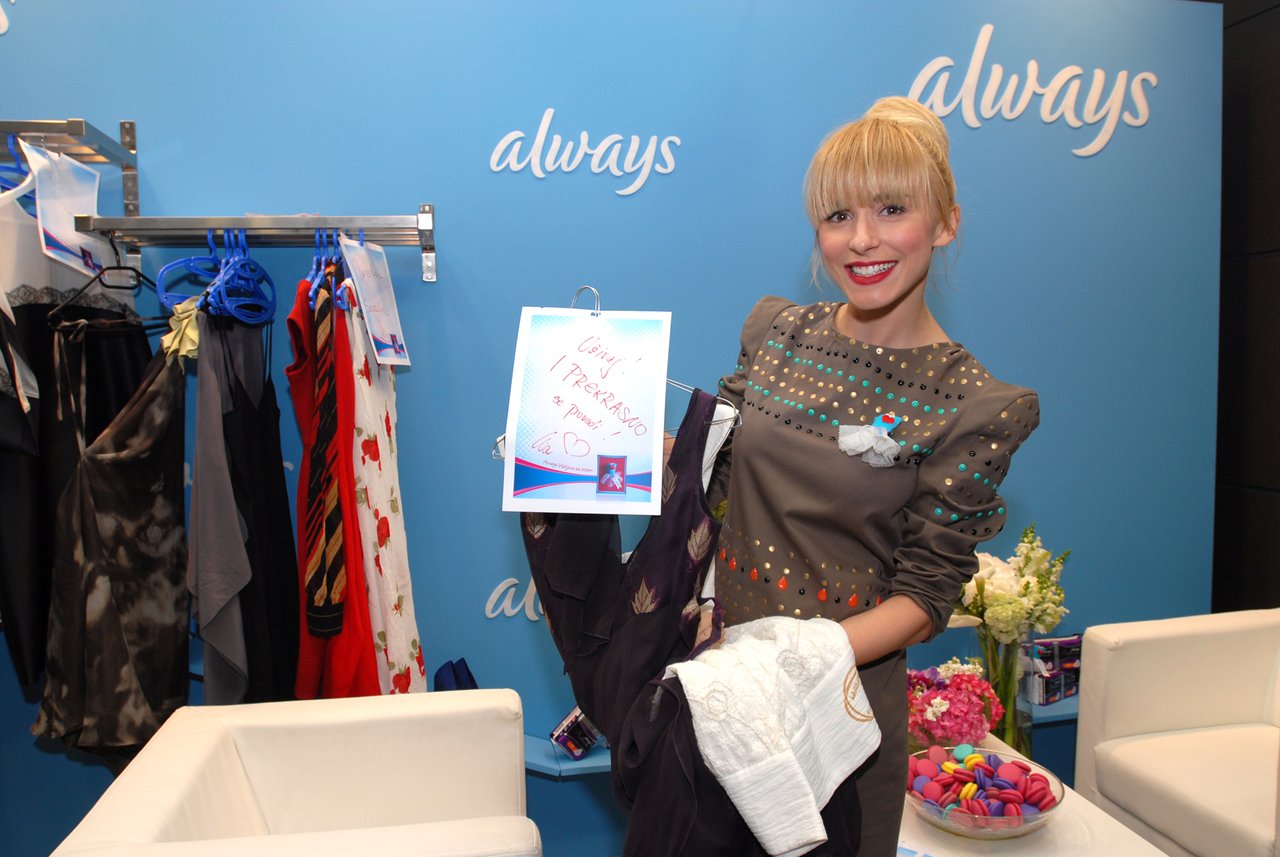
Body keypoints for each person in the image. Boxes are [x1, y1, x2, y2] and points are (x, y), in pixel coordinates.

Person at [708, 95, 1040, 855]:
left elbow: (924, 597)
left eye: (892, 209)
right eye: (838, 216)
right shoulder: (774, 332)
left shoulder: (974, 404)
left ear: (946, 222)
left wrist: (791, 661)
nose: (861, 239)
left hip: (841, 721)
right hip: (721, 698)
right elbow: (713, 478)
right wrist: (596, 440)